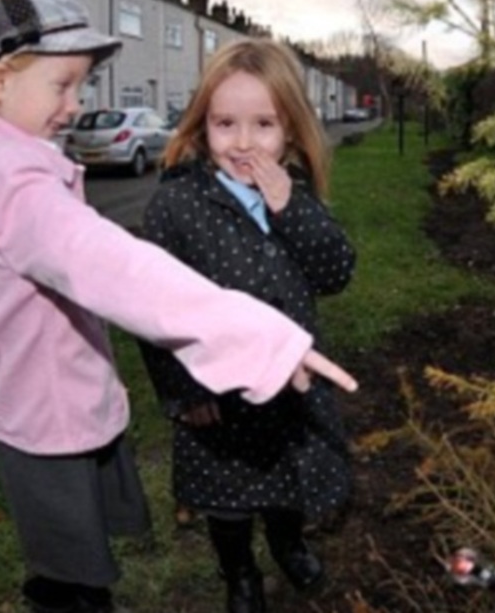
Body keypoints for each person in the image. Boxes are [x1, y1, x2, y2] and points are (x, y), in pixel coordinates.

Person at [0, 0, 357, 613]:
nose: (76, 105)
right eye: (63, 85)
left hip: (44, 402)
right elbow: (117, 268)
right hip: (50, 415)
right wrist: (250, 342)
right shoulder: (14, 183)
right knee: (70, 577)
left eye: (80, 86)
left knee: (74, 572)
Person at [138, 38, 356, 613]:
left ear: (289, 128)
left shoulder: (298, 195)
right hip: (218, 394)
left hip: (290, 388)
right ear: (202, 124)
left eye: (263, 124)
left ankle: (288, 545)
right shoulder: (176, 206)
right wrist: (182, 391)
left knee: (286, 487)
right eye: (225, 123)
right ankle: (239, 574)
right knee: (229, 504)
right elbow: (149, 308)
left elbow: (336, 273)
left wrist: (291, 209)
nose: (242, 141)